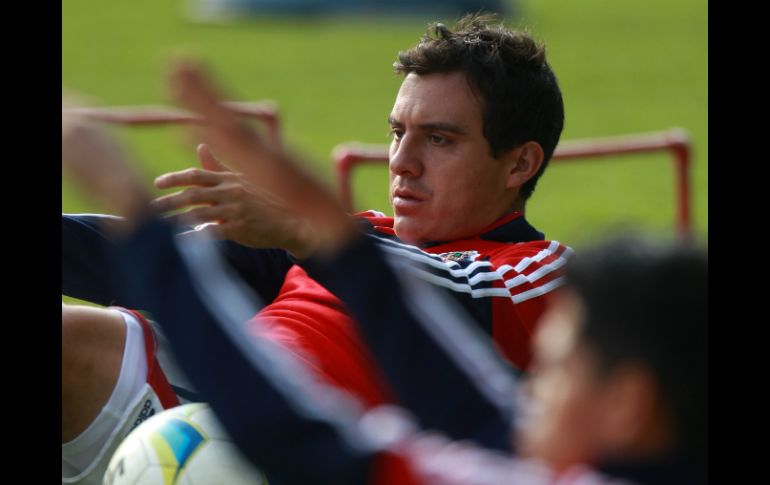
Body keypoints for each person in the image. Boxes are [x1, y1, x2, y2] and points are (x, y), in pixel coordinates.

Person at [62, 62, 707, 484]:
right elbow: (175, 258)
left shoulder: (540, 271)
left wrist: (312, 232)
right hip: (211, 399)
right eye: (398, 132)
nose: (401, 161)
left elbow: (432, 306)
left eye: (439, 139)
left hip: (285, 442)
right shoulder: (356, 236)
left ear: (519, 164)